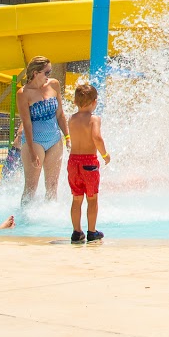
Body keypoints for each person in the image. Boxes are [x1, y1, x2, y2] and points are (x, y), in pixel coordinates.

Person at [17, 55, 68, 203]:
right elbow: (26, 123)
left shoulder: (54, 85)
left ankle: (50, 218)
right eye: (47, 72)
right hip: (35, 142)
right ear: (35, 73)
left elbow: (60, 114)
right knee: (31, 187)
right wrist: (32, 152)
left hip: (54, 140)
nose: (49, 76)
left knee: (52, 186)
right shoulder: (23, 93)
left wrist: (67, 137)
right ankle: (24, 221)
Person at [66, 82, 111, 245]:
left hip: (73, 162)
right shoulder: (94, 119)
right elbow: (97, 138)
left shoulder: (71, 119)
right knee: (92, 199)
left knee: (76, 198)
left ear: (76, 102)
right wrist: (105, 154)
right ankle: (92, 231)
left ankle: (76, 232)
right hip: (89, 163)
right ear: (94, 102)